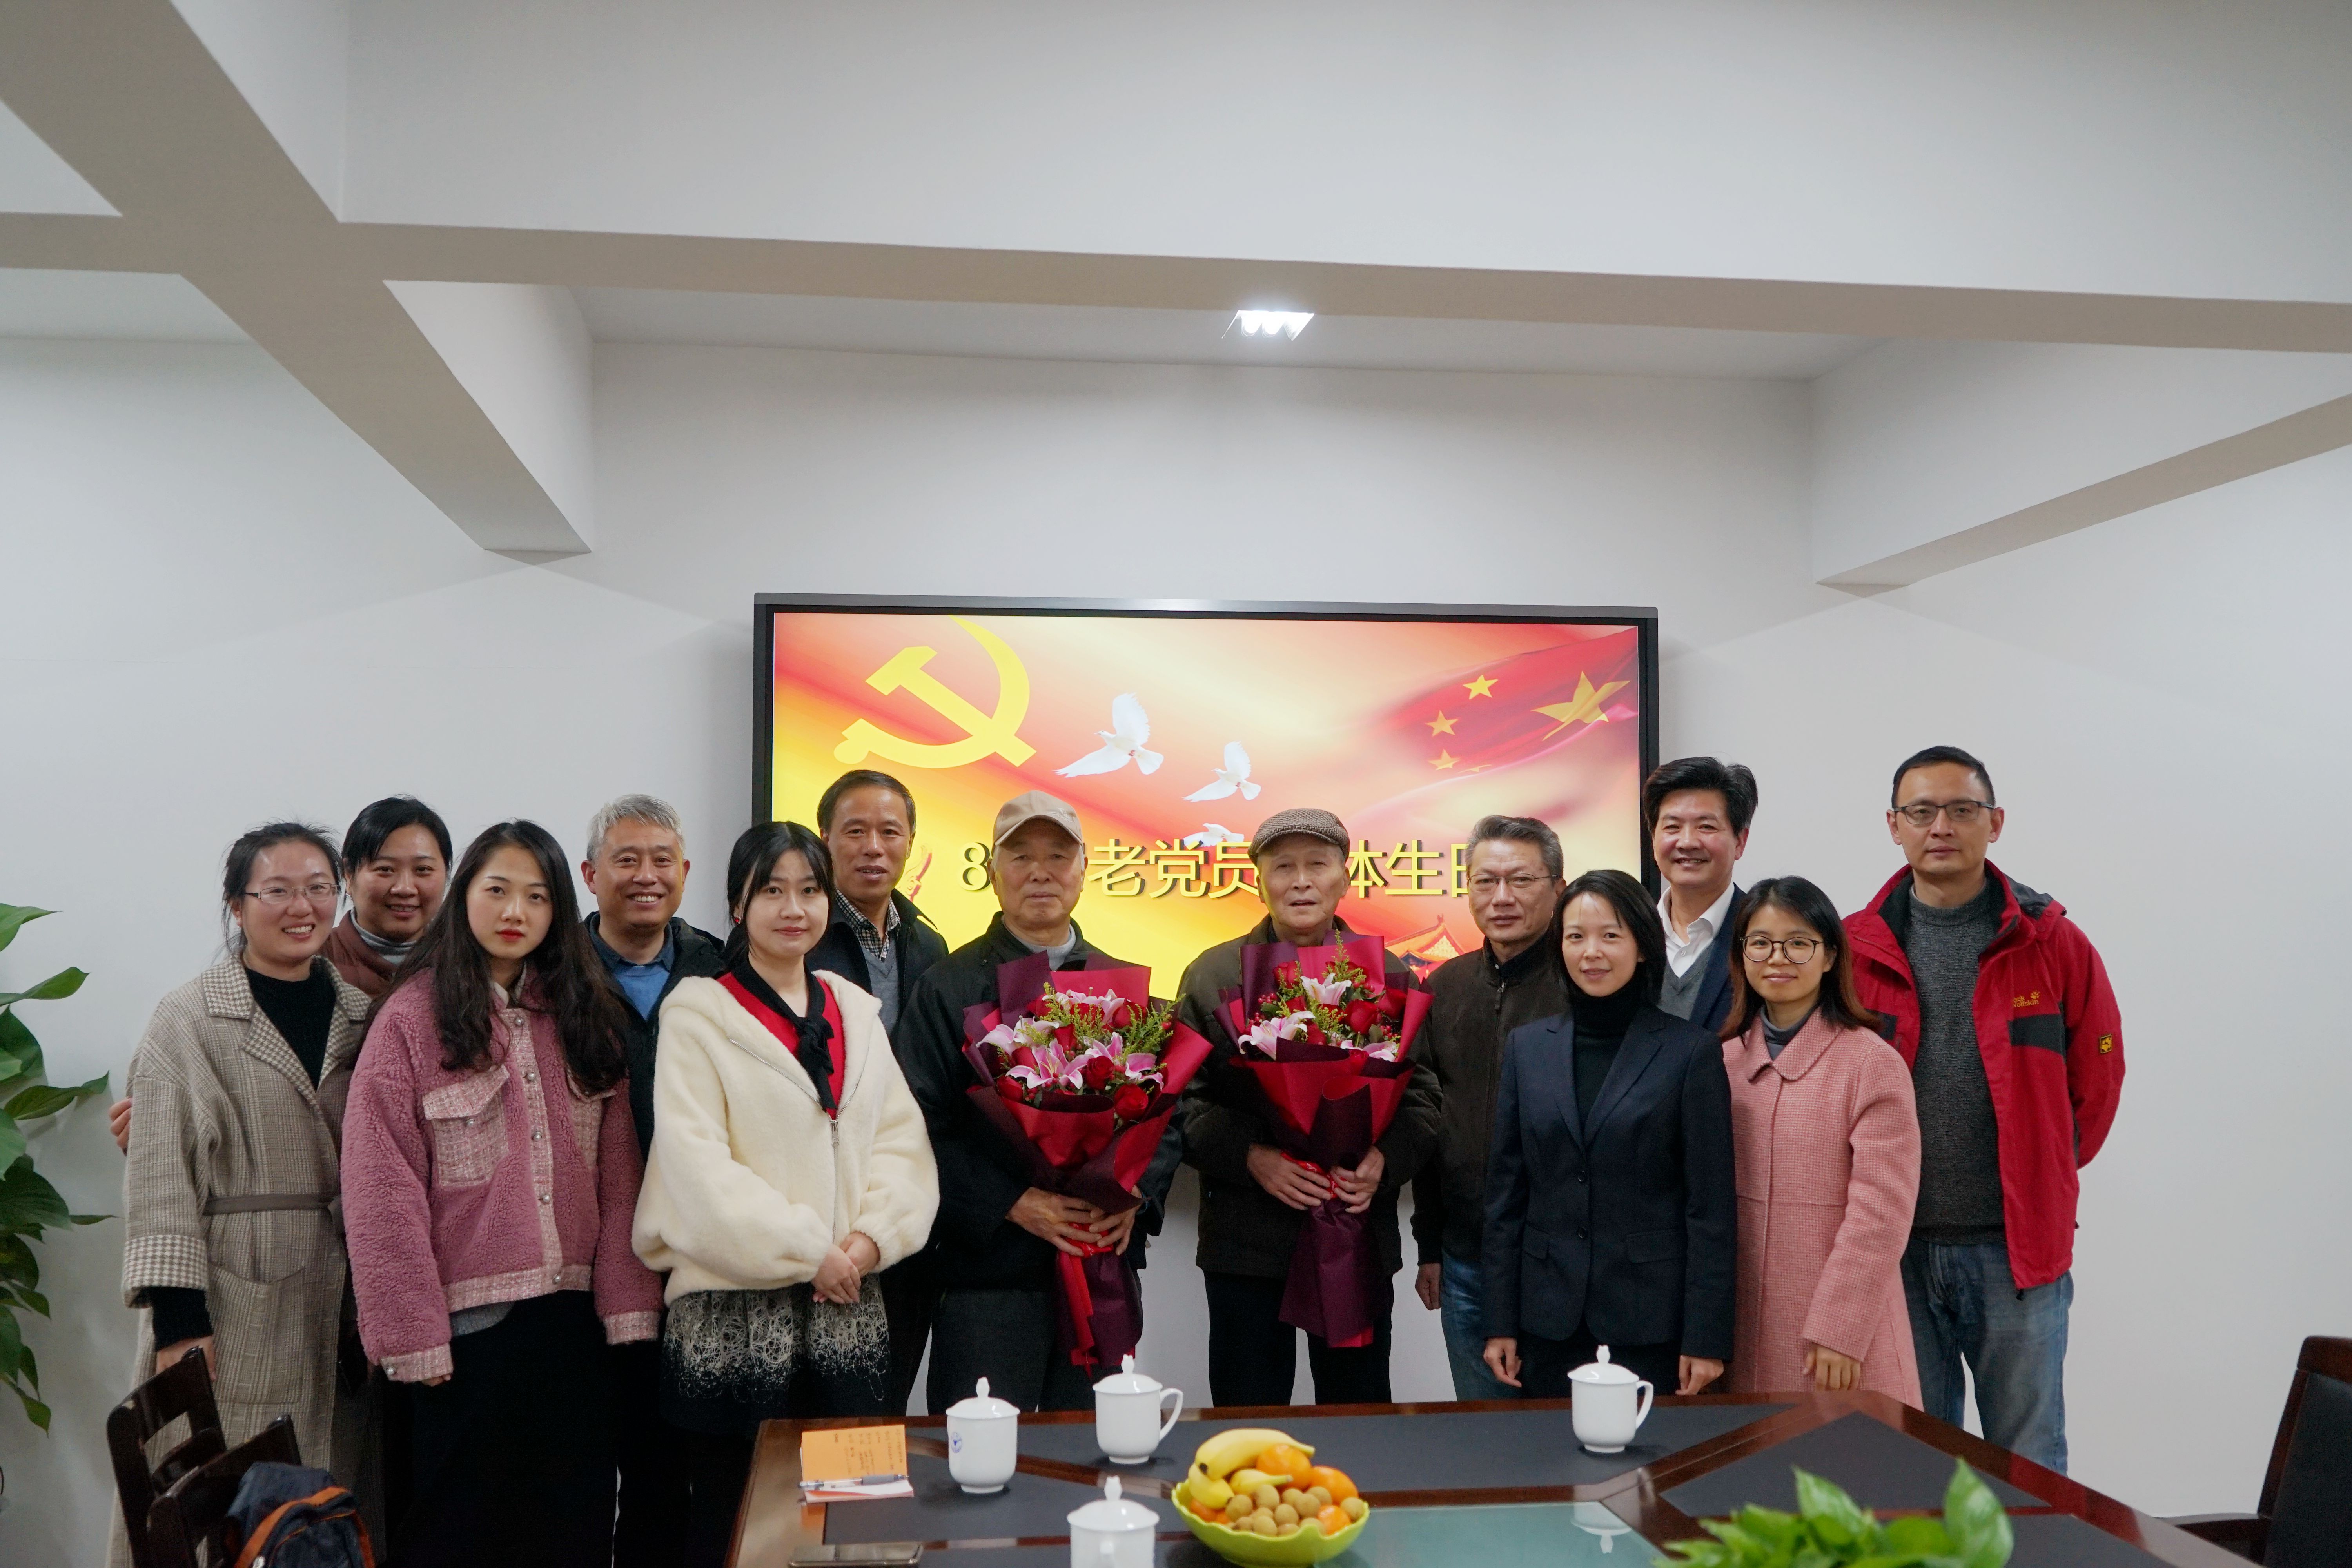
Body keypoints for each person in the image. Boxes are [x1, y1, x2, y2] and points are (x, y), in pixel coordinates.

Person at [342, 820, 664, 1568]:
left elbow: (623, 1179)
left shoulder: (586, 1017)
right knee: (459, 1538)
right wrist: (412, 1335)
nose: (516, 911)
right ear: (465, 897)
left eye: (537, 896)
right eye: (497, 890)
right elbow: (381, 1189)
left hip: (576, 1330)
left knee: (574, 1530)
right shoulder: (411, 1020)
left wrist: (629, 1307)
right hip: (465, 1338)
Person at [633, 821, 938, 1568]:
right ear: (738, 907)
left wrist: (868, 1242)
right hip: (736, 1319)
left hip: (848, 1303)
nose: (793, 908)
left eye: (809, 890)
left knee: (857, 1520)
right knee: (745, 1528)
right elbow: (697, 1169)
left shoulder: (853, 1011)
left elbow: (901, 1143)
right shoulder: (697, 1014)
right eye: (771, 891)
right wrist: (810, 1252)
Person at [1847, 746, 2124, 1473]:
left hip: (2016, 1251)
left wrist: (2045, 1167)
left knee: (2028, 1461)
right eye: (1921, 812)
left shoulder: (2051, 942)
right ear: (1894, 826)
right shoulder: (1854, 948)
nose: (1941, 827)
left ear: (1994, 823)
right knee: (1913, 1458)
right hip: (1897, 1251)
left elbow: (2098, 1080)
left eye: (1962, 810)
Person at [114, 824, 374, 1568]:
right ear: (237, 905)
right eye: (277, 890)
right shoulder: (188, 1019)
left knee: (318, 1507)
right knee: (213, 1505)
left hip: (338, 1302)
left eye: (319, 888)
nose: (302, 907)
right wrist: (181, 1324)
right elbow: (161, 1177)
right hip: (232, 1300)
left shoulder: (361, 1016)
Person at [896, 791, 1182, 1413]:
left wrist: (1135, 1196)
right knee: (985, 1453)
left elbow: (1170, 1114)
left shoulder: (1124, 985)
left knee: (1094, 1451)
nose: (1040, 872)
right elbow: (913, 1128)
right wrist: (1013, 1203)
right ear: (992, 871)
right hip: (990, 1276)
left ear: (1084, 869)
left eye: (1058, 855)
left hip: (1100, 1262)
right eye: (1021, 855)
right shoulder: (948, 987)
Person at [1178, 808, 1439, 1407]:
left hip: (1354, 1231)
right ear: (1259, 881)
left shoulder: (1388, 974)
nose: (1300, 882)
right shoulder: (1214, 974)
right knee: (1247, 1417)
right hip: (1247, 1242)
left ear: (1344, 879)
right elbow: (1179, 1100)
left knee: (1357, 1415)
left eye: (1317, 865)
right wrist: (1251, 1156)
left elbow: (1424, 1093)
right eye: (1283, 867)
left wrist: (1385, 1161)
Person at [1481, 868, 1735, 1399]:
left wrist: (1706, 1336)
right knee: (1549, 1451)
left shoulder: (1690, 1052)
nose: (1591, 952)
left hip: (1651, 1320)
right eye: (1576, 936)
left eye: (1610, 935)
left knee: (1650, 1455)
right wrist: (1499, 1321)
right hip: (1547, 1320)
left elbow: (1710, 1209)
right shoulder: (1528, 1048)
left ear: (1642, 946)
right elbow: (1506, 1196)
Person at [107, 794, 454, 1152]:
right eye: (384, 869)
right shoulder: (292, 970)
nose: (405, 887)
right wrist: (162, 1129)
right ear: (349, 876)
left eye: (423, 870)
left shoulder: (468, 976)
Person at [578, 793, 725, 1567]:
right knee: (582, 1467)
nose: (646, 876)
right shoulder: (553, 971)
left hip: (698, 1256)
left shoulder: (722, 967)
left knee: (685, 1466)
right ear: (589, 874)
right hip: (584, 1256)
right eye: (626, 860)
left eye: (661, 860)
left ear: (685, 872)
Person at [1719, 877, 1921, 1403]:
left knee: (1847, 1455)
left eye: (1798, 943)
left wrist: (1840, 1328)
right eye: (1760, 943)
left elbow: (1882, 1214)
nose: (1777, 957)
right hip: (1743, 1333)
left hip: (1840, 1345)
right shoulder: (1724, 1061)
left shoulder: (1871, 1064)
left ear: (1830, 955)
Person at [804, 768, 950, 1410]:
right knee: (821, 1412)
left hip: (903, 1207)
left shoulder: (929, 942)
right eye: (855, 831)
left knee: (886, 1405)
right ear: (825, 839)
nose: (873, 848)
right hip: (822, 1216)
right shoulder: (795, 934)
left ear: (910, 841)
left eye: (890, 832)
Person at [1409, 815, 1569, 1400]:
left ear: (1558, 889)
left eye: (1521, 880)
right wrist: (1429, 1247)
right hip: (1466, 1260)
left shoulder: (1584, 983)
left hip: (1560, 1264)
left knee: (1565, 1432)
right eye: (1485, 881)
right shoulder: (1441, 988)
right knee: (1484, 1432)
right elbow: (1430, 1122)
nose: (1502, 897)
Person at [1643, 757, 1757, 1031]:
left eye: (1706, 826)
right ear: (1653, 838)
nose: (1687, 842)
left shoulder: (1764, 935)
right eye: (1672, 827)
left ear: (1740, 842)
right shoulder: (1630, 934)